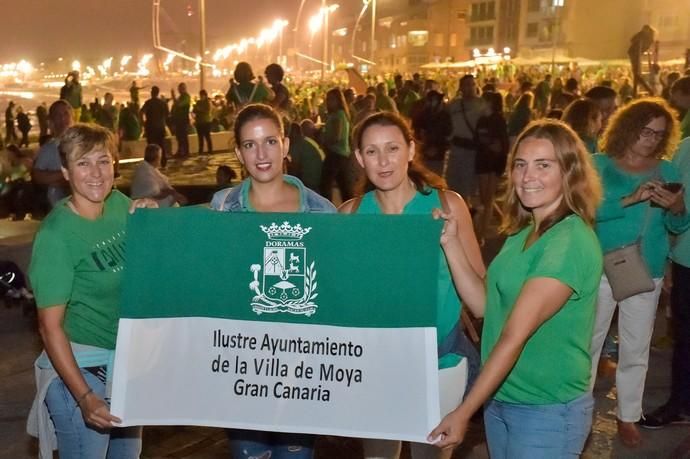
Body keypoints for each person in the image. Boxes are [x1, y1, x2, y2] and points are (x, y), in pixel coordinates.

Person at [430, 119, 603, 458]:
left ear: (569, 172)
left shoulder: (568, 242)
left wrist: (464, 412)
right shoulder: (523, 234)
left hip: (547, 410)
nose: (528, 176)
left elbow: (513, 335)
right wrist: (451, 244)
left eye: (543, 165)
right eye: (521, 165)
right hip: (503, 399)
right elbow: (484, 306)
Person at [339, 111, 485, 459]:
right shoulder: (348, 217)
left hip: (438, 363)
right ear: (360, 158)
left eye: (392, 148)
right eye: (371, 152)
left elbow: (481, 300)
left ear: (411, 150)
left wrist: (449, 245)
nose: (383, 160)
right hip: (374, 366)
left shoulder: (448, 205)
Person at [210, 104, 334, 458]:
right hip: (243, 364)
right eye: (249, 145)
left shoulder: (322, 212)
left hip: (303, 369)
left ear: (286, 146)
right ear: (238, 153)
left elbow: (334, 292)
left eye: (269, 142)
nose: (261, 154)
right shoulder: (222, 207)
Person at [28, 123, 153, 459]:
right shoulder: (56, 236)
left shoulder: (119, 205)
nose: (96, 173)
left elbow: (151, 269)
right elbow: (49, 326)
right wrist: (84, 396)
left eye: (103, 161)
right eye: (83, 164)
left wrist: (153, 220)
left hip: (125, 365)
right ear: (66, 172)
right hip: (82, 369)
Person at [589, 98, 689, 447]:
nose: (650, 139)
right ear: (628, 128)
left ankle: (628, 415)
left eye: (658, 134)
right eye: (645, 131)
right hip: (599, 265)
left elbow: (679, 224)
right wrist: (628, 201)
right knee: (589, 342)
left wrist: (677, 208)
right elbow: (583, 210)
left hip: (645, 268)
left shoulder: (668, 170)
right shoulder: (599, 165)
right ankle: (578, 408)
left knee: (636, 346)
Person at [640, 135, 690, 429]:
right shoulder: (686, 147)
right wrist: (669, 259)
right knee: (685, 338)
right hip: (686, 258)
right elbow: (673, 203)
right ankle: (681, 403)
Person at [475, 91, 509, 243]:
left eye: (484, 101)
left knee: (488, 199)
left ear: (490, 103)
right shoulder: (481, 119)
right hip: (482, 160)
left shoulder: (498, 120)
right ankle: (502, 221)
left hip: (494, 162)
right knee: (485, 198)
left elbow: (502, 144)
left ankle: (481, 234)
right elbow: (477, 139)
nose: (480, 103)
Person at [447, 74, 488, 200]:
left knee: (467, 187)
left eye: (472, 84)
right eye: (467, 85)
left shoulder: (483, 105)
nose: (470, 87)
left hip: (472, 152)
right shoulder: (453, 105)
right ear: (461, 88)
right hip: (455, 150)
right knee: (452, 185)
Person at [32, 100, 74, 209]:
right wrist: (65, 175)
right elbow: (38, 176)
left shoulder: (85, 143)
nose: (62, 119)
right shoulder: (48, 149)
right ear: (52, 120)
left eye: (65, 114)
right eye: (58, 115)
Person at [319, 88, 354, 202]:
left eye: (332, 99)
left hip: (335, 153)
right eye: (328, 99)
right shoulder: (339, 114)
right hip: (342, 154)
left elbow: (337, 136)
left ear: (338, 101)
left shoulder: (338, 115)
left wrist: (325, 141)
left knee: (325, 184)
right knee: (344, 186)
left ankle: (327, 209)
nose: (329, 102)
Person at [287, 122, 325, 192]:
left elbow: (295, 167)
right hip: (319, 178)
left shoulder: (297, 144)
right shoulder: (306, 141)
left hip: (309, 181)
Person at [140, 86, 170, 167]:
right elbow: (167, 114)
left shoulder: (148, 102)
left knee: (150, 147)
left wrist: (143, 122)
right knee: (161, 145)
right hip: (160, 127)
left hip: (150, 127)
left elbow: (141, 112)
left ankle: (150, 164)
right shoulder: (163, 103)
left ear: (151, 92)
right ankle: (163, 163)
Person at [171, 82, 191, 157]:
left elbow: (179, 105)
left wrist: (173, 97)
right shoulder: (181, 97)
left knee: (183, 136)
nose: (179, 90)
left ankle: (185, 152)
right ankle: (180, 151)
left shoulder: (186, 97)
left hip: (183, 120)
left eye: (181, 88)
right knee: (179, 136)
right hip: (178, 120)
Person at [193, 89, 213, 155]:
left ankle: (210, 151)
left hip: (206, 122)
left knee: (207, 137)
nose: (201, 96)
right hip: (199, 122)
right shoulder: (198, 102)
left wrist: (199, 109)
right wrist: (198, 109)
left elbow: (207, 110)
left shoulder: (207, 102)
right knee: (200, 137)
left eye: (202, 95)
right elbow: (194, 110)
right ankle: (200, 151)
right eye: (200, 95)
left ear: (205, 95)